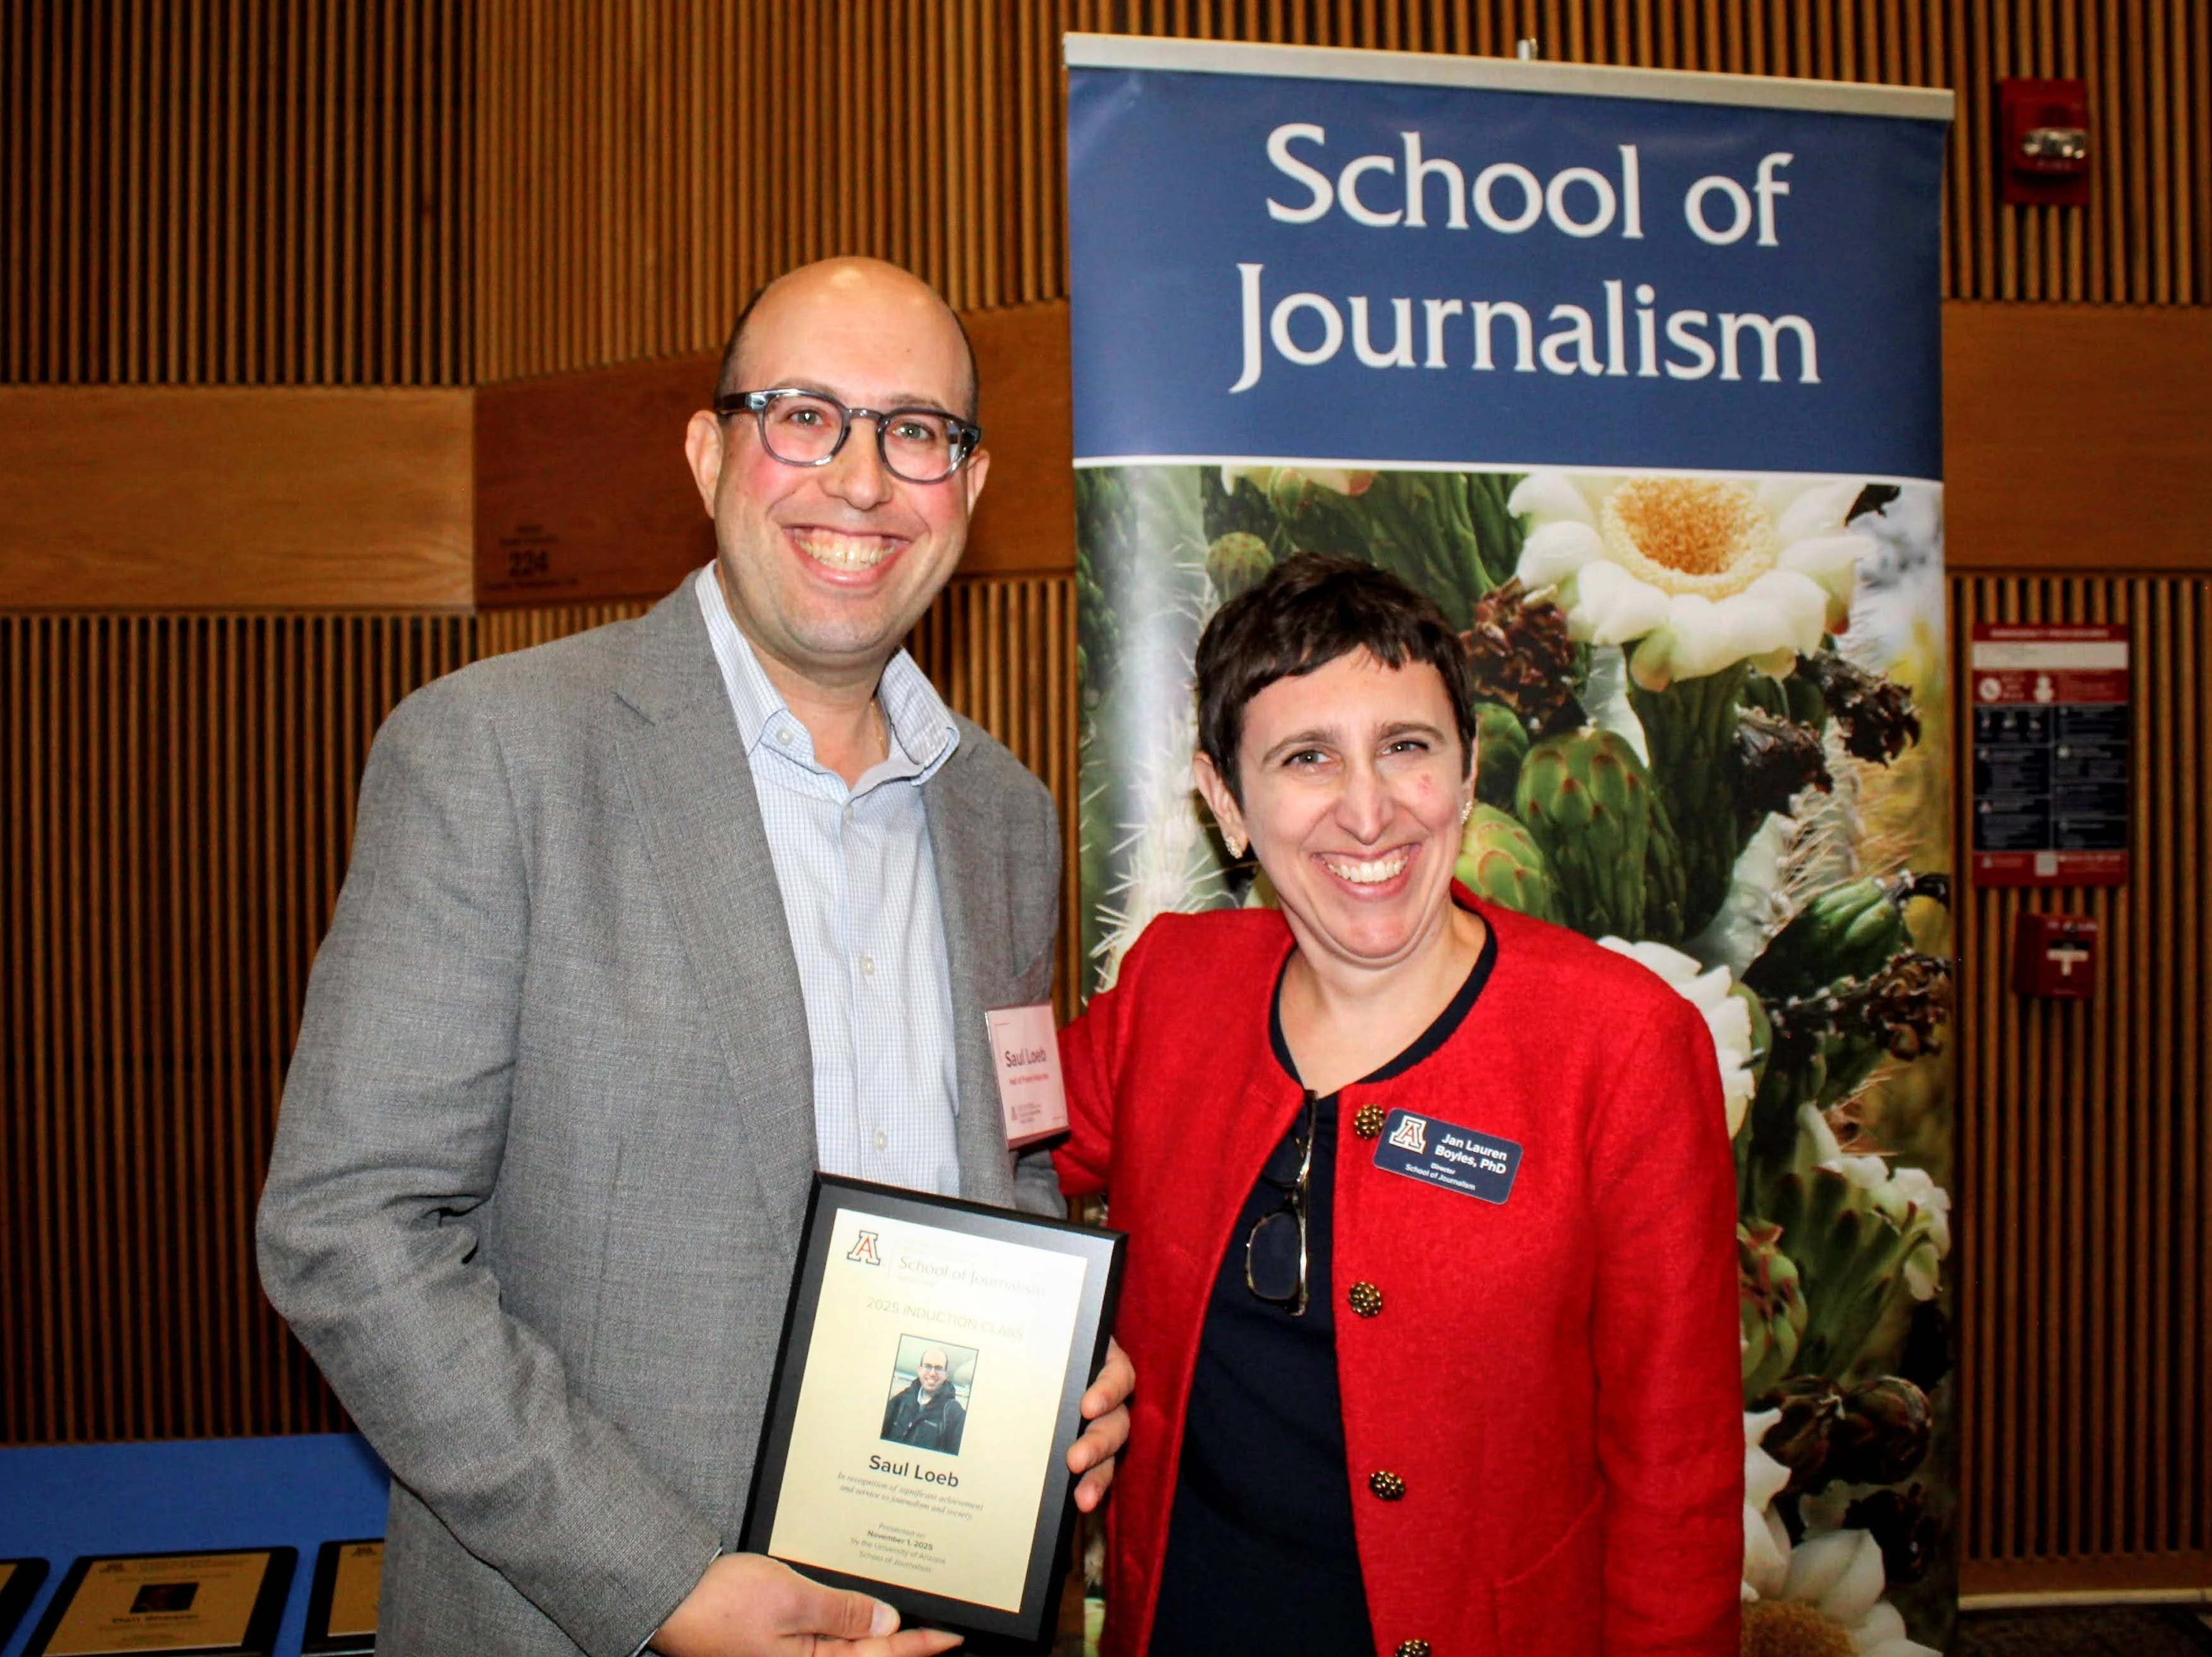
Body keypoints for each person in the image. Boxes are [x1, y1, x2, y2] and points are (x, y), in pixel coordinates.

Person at [257, 257, 1129, 1657]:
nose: (857, 480)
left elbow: (1010, 1154)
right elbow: (349, 1230)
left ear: (965, 488)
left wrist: (1053, 1366)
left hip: (929, 1612)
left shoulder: (1003, 816)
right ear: (707, 450)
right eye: (802, 415)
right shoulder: (498, 753)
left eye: (914, 430)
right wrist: (657, 1580)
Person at [1054, 553, 1741, 1657]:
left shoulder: (1620, 1043)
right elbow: (980, 1129)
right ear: (1224, 798)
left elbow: (1678, 1482)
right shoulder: (1172, 986)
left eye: (1406, 747)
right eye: (1305, 756)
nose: (1367, 811)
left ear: (1466, 774)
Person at [880, 1349, 966, 1454]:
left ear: (946, 1375)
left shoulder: (955, 1415)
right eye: (928, 1366)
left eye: (938, 1369)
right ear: (919, 1370)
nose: (932, 1373)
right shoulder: (900, 1401)